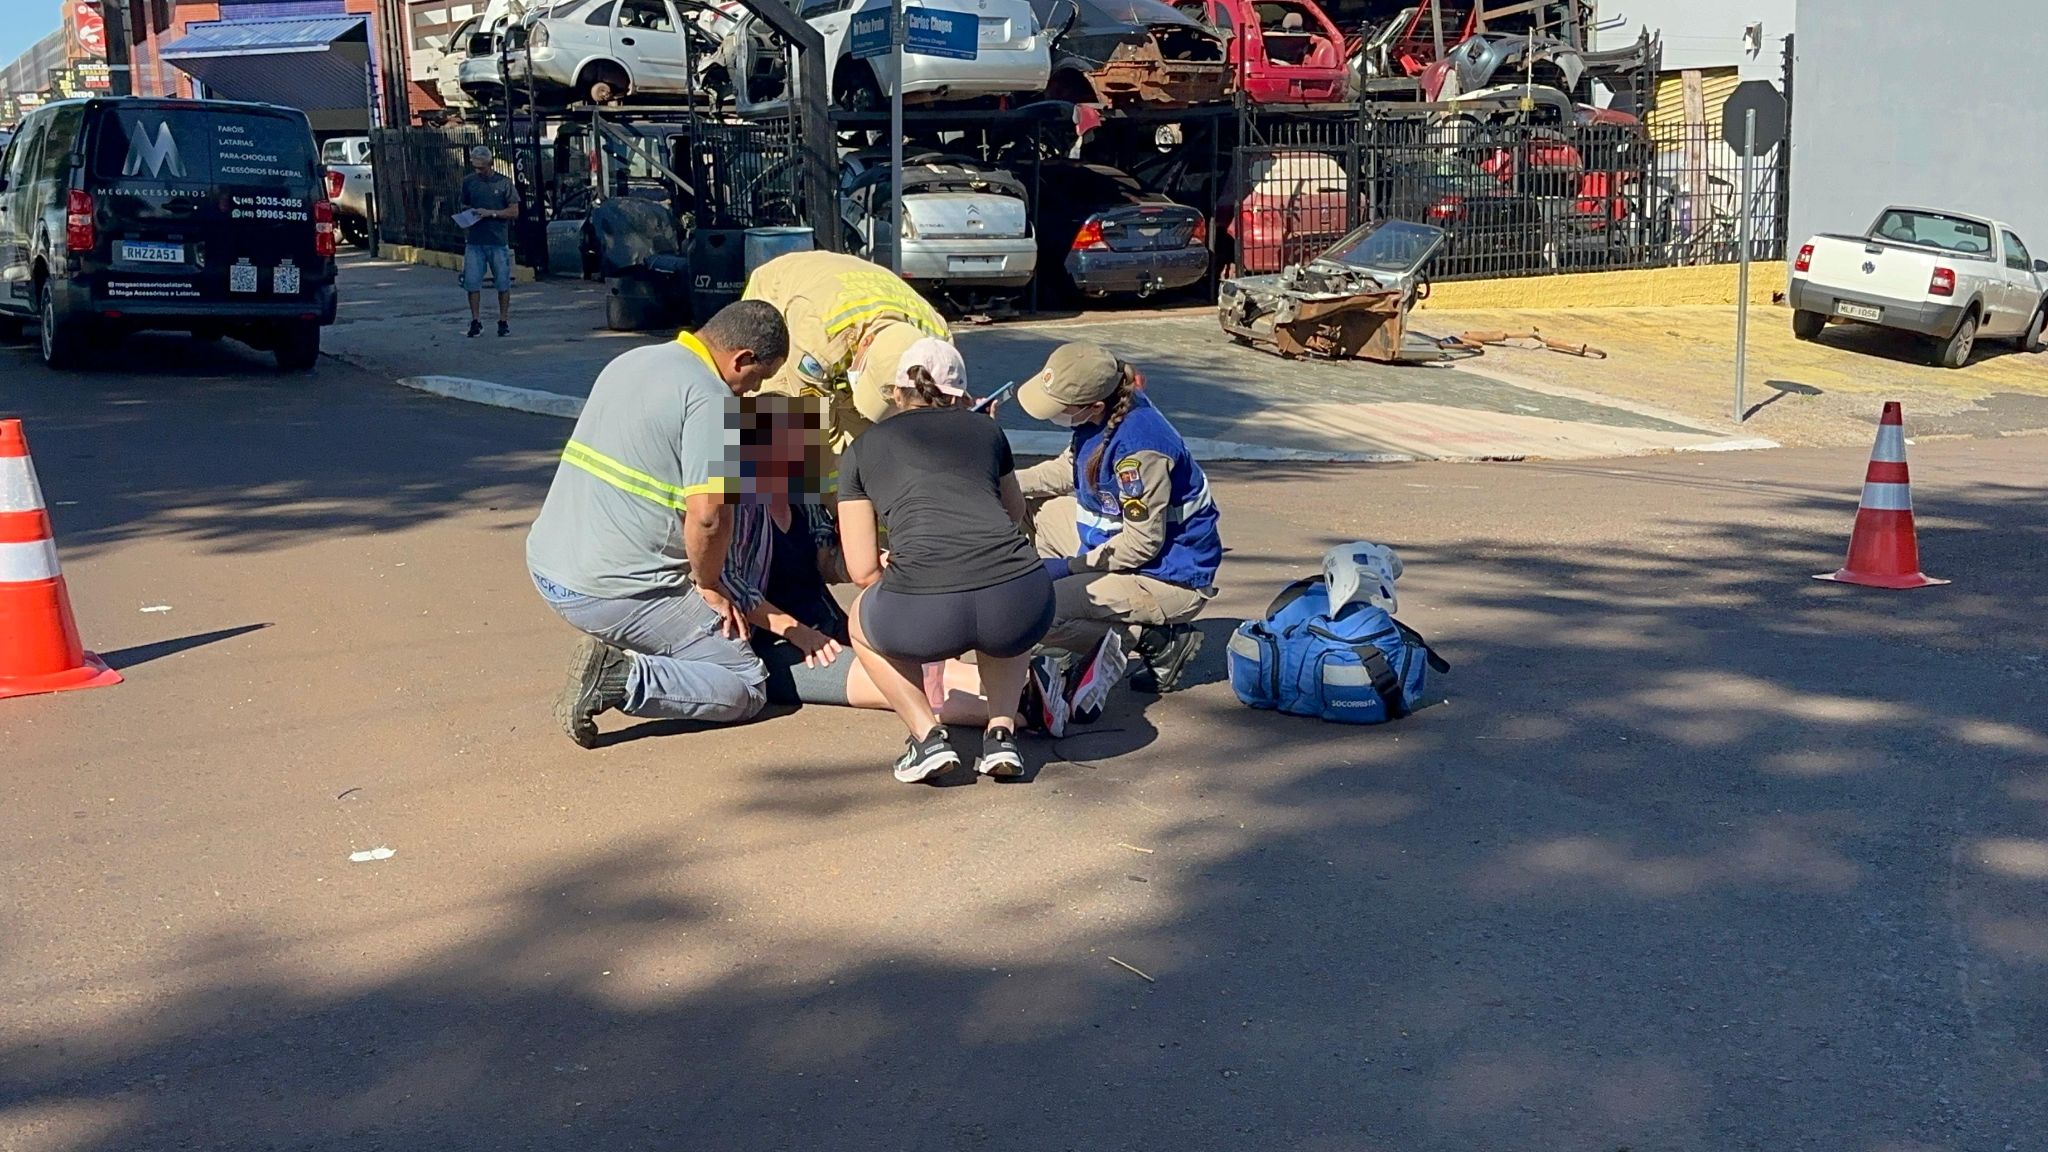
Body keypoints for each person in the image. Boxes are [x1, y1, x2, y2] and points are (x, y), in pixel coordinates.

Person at [729, 392, 1099, 737]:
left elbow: (827, 564)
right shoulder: (739, 508)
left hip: (825, 622)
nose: (804, 453)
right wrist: (795, 631)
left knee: (932, 672)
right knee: (902, 690)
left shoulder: (802, 501)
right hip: (776, 646)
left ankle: (1040, 685)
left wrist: (873, 560)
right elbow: (729, 583)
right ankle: (1027, 709)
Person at [525, 301, 788, 747]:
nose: (751, 393)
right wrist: (708, 584)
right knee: (746, 681)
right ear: (741, 358)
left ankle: (630, 661)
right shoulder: (711, 397)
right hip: (614, 590)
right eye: (757, 379)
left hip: (549, 567)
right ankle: (622, 678)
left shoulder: (634, 359)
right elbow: (708, 517)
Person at [836, 338, 1061, 783]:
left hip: (924, 610)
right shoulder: (988, 432)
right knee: (999, 601)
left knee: (861, 622)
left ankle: (926, 737)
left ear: (897, 393)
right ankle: (1001, 733)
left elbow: (862, 570)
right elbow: (1013, 513)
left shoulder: (862, 449)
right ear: (964, 395)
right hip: (1023, 600)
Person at [1016, 341, 1222, 695]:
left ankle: (1154, 641)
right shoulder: (1106, 410)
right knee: (1024, 506)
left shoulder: (1140, 450)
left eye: (1060, 407)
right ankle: (1065, 605)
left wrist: (1069, 567)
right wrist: (1004, 480)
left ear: (1094, 404)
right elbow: (1069, 470)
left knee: (1039, 614)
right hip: (1116, 542)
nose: (1054, 414)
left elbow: (1142, 544)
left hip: (1168, 576)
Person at [740, 250, 951, 482]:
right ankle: (759, 504)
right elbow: (809, 422)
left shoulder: (939, 342)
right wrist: (831, 493)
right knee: (778, 429)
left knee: (867, 446)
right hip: (782, 291)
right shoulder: (818, 335)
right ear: (866, 342)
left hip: (850, 297)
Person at [458, 145, 519, 338]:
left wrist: (491, 213)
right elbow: (464, 203)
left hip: (497, 240)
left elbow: (514, 211)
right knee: (472, 282)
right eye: (476, 167)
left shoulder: (504, 183)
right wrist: (469, 215)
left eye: (482, 168)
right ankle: (476, 320)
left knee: (503, 282)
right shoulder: (469, 182)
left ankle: (503, 320)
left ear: (490, 165)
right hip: (475, 240)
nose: (479, 171)